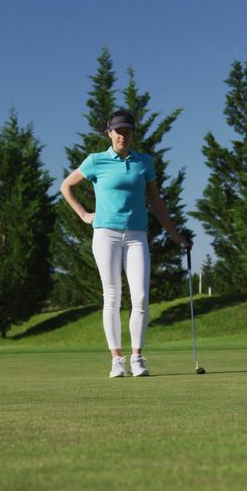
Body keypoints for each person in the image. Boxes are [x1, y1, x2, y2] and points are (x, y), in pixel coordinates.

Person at [60, 109, 190, 378]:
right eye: (118, 131)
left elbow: (156, 201)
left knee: (140, 297)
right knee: (112, 296)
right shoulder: (96, 161)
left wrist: (174, 234)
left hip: (136, 236)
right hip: (105, 234)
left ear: (132, 133)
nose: (123, 135)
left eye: (127, 131)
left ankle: (137, 358)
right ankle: (117, 360)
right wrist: (84, 215)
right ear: (109, 133)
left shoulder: (144, 162)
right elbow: (66, 187)